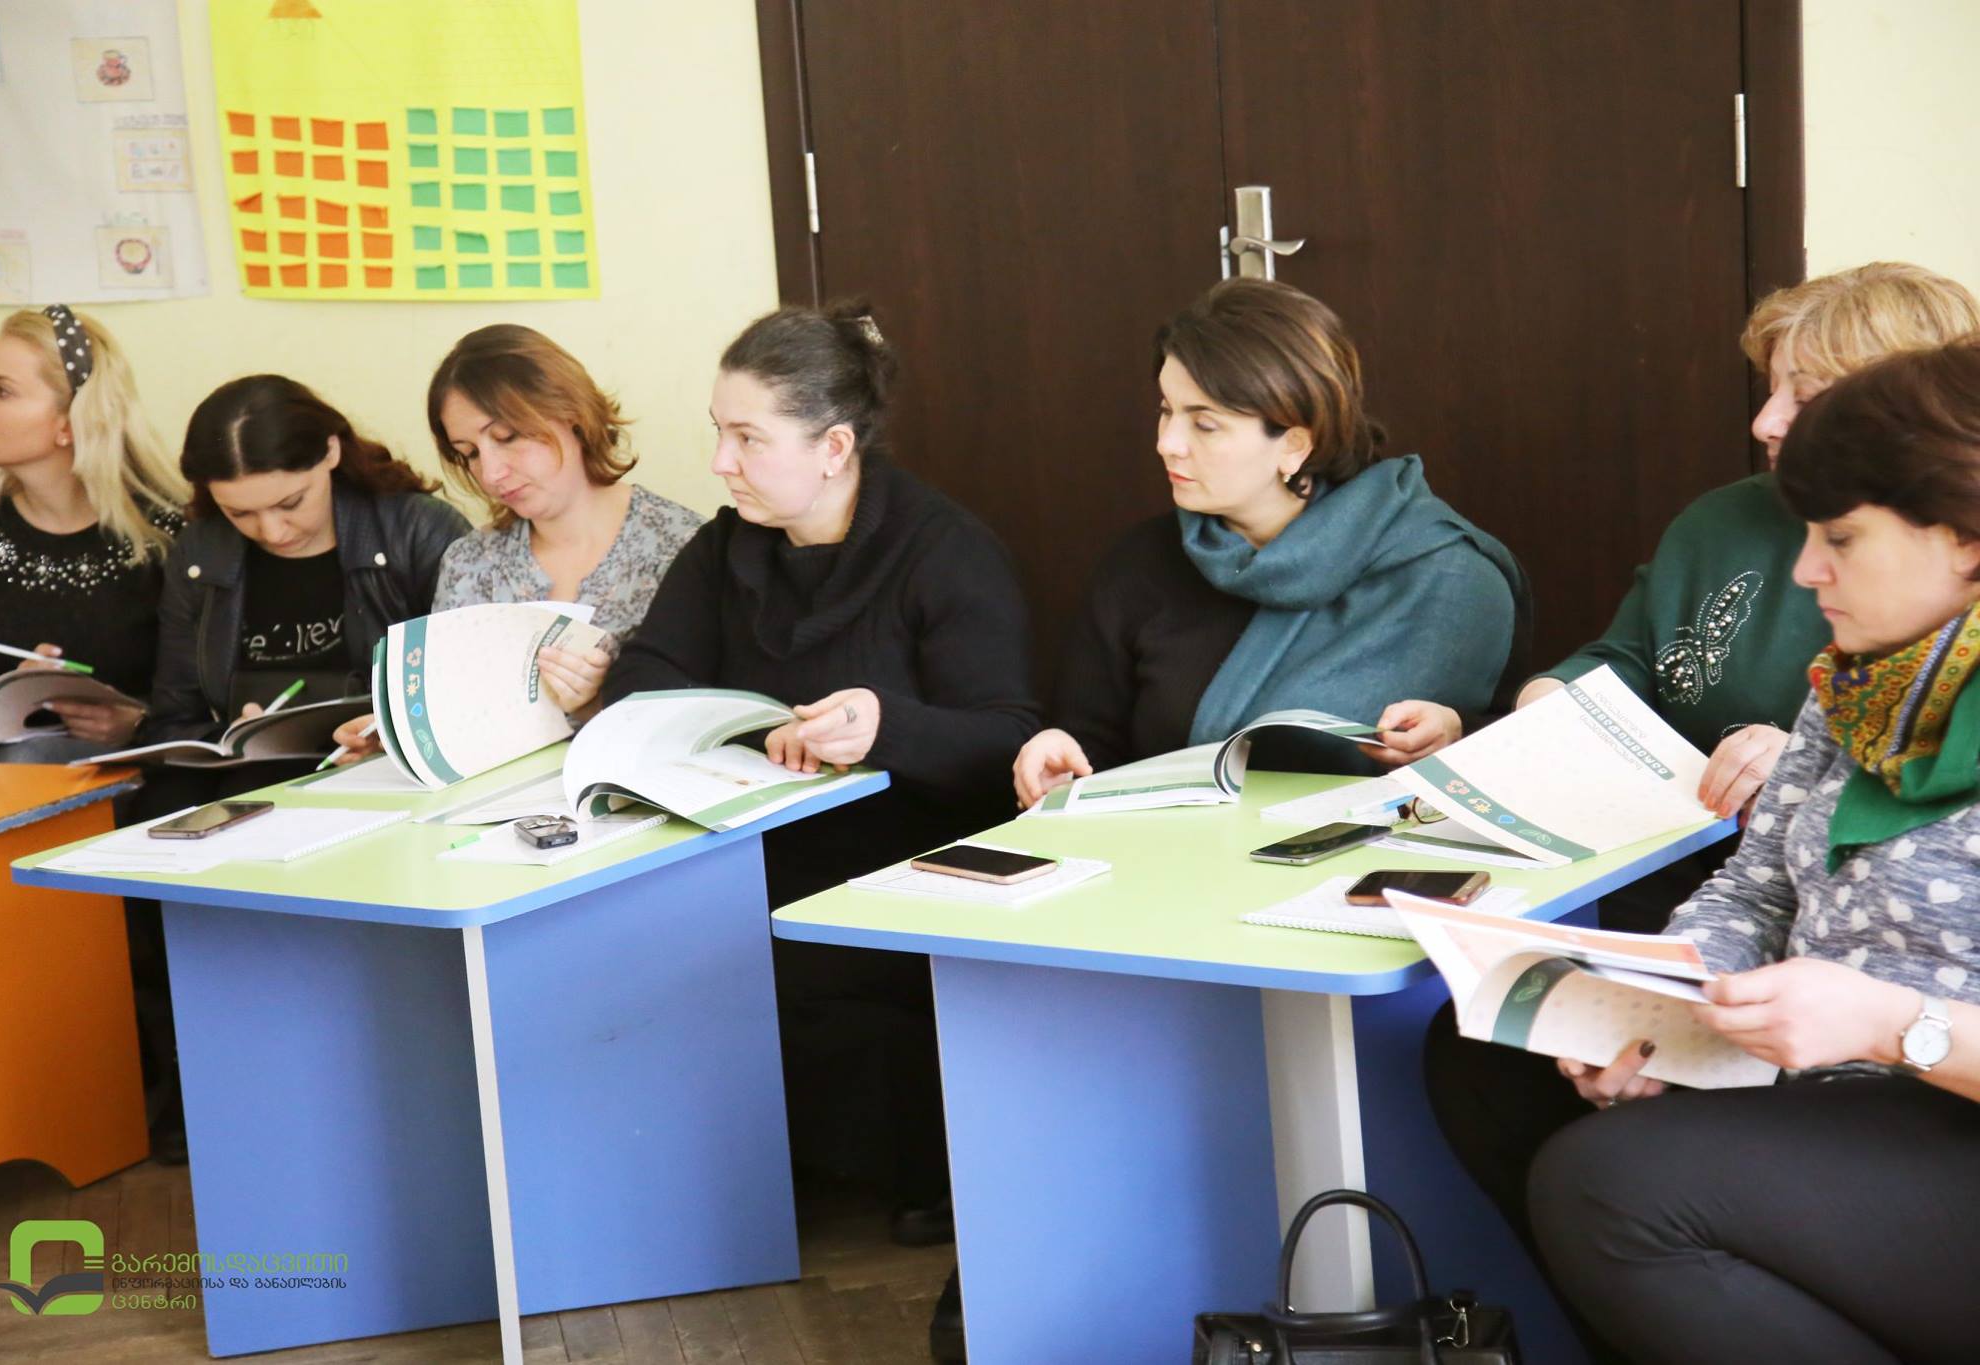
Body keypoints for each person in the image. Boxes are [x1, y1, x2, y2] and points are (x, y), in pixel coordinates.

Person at [1415, 265, 1980, 1340]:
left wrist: (1888, 1025)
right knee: (1492, 1052)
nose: (1806, 572)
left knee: (1614, 1188)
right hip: (1827, 1076)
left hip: (1940, 1103)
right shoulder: (1861, 680)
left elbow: (1882, 1019)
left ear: (1962, 537)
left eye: (1840, 539)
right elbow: (1757, 889)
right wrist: (1659, 1014)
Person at [601, 303, 1041, 1323]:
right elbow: (645, 679)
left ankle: (890, 1172)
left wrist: (886, 725)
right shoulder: (727, 547)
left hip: (906, 852)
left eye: (747, 438)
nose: (721, 462)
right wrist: (741, 729)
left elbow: (1006, 737)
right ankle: (725, 1185)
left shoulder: (943, 550)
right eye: (719, 432)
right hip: (749, 843)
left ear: (834, 447)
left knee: (778, 962)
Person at [1010, 276, 1528, 811]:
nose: (1167, 443)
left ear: (1295, 444)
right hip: (1167, 855)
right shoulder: (1142, 563)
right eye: (1166, 410)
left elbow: (1520, 757)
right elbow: (1090, 745)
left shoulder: (1447, 578)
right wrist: (1057, 755)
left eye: (1204, 424)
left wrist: (1456, 733)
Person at [327, 325, 700, 761]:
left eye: (508, 437)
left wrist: (596, 703)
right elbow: (455, 715)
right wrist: (393, 739)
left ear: (572, 414)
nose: (491, 473)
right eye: (469, 453)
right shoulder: (470, 561)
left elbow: (702, 724)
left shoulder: (683, 547)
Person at [142, 374, 468, 747]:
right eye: (239, 513)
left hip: (395, 766)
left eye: (291, 503)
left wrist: (389, 736)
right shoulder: (200, 553)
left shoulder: (417, 530)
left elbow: (475, 692)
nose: (272, 532)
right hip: (256, 775)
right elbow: (174, 723)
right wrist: (236, 738)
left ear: (331, 451)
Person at [0, 306, 185, 752]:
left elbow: (202, 687)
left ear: (68, 423)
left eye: (2, 391)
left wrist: (138, 721)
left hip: (150, 771)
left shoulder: (165, 534)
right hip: (12, 769)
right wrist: (9, 695)